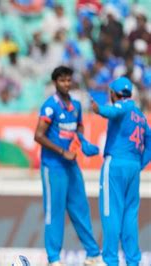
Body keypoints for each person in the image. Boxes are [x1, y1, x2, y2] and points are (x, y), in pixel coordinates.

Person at [34, 66, 103, 266]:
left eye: (69, 80)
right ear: (55, 82)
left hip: (72, 166)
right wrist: (62, 151)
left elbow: (79, 125)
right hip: (53, 166)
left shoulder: (76, 105)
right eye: (62, 80)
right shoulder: (50, 106)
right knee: (54, 212)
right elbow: (38, 136)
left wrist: (80, 139)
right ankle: (54, 259)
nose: (66, 84)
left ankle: (92, 254)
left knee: (81, 209)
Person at [91, 76, 151, 266]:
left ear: (113, 94)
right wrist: (140, 163)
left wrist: (99, 109)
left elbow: (112, 111)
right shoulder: (141, 116)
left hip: (116, 164)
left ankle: (110, 261)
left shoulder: (123, 106)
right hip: (133, 166)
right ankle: (133, 261)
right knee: (130, 216)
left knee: (111, 213)